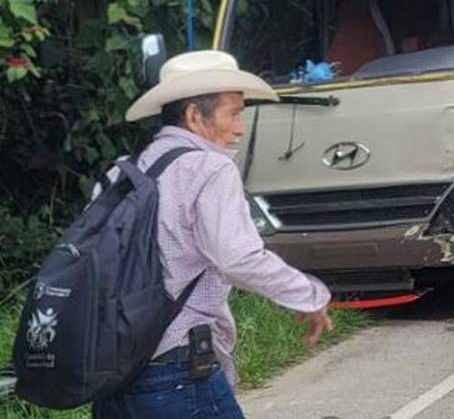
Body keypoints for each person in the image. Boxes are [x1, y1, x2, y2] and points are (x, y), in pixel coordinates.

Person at [93, 50, 333, 418]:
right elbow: (238, 257)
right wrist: (308, 295)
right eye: (233, 114)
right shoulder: (209, 168)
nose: (240, 128)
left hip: (112, 369)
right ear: (194, 115)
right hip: (176, 370)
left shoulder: (122, 172)